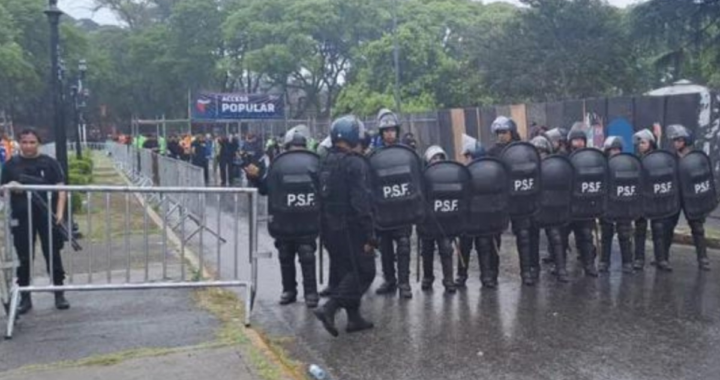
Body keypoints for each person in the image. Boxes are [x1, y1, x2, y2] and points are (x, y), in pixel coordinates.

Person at [313, 115, 376, 337]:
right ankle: (329, 308)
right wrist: (370, 235)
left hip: (330, 229)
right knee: (364, 271)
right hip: (352, 229)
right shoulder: (355, 163)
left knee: (346, 271)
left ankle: (354, 318)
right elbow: (362, 202)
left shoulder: (325, 161)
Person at [244, 126, 320, 308]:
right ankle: (306, 293)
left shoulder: (286, 162)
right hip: (303, 221)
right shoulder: (308, 162)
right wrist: (254, 177)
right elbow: (266, 188)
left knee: (289, 255)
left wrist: (255, 178)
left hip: (288, 221)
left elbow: (264, 189)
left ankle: (296, 291)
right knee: (302, 255)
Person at [1, 129, 70, 314]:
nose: (28, 146)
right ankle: (25, 297)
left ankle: (59, 293)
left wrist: (60, 214)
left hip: (47, 216)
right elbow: (2, 189)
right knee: (24, 257)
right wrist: (9, 188)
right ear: (19, 143)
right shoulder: (10, 165)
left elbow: (61, 189)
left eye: (32, 142)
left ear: (38, 143)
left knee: (53, 254)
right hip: (21, 217)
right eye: (24, 142)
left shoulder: (50, 163)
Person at [373, 108, 415, 298]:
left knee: (404, 245)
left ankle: (404, 283)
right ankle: (389, 280)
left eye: (392, 130)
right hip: (383, 210)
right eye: (386, 131)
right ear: (381, 133)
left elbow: (417, 178)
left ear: (397, 131)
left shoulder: (408, 153)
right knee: (386, 248)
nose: (389, 133)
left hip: (403, 208)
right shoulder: (374, 155)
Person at [664, 124, 711, 271]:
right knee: (668, 226)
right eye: (674, 140)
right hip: (676, 196)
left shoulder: (695, 158)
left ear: (686, 141)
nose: (675, 143)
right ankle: (663, 257)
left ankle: (703, 259)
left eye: (678, 140)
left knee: (697, 227)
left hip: (691, 197)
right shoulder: (672, 158)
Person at [456, 140, 501, 289]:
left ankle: (486, 275)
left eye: (468, 156)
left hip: (482, 216)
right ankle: (461, 275)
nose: (466, 159)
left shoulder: (487, 174)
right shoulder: (462, 172)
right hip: (467, 216)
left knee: (484, 245)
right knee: (464, 246)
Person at [528, 135, 571, 283]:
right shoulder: (528, 166)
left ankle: (560, 268)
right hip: (534, 206)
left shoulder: (554, 165)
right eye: (538, 150)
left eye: (543, 150)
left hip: (550, 205)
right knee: (532, 237)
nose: (541, 153)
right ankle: (534, 268)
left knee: (555, 236)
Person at [418, 145, 456, 293]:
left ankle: (448, 280)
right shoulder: (423, 176)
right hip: (427, 220)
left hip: (444, 218)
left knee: (446, 249)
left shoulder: (450, 176)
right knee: (427, 250)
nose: (437, 161)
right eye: (434, 158)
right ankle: (428, 278)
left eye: (440, 158)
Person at [633, 129, 671, 271]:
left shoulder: (657, 158)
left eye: (643, 142)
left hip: (656, 198)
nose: (640, 145)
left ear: (651, 143)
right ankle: (639, 259)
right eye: (639, 143)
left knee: (658, 229)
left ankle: (661, 259)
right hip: (641, 198)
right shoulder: (637, 159)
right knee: (640, 229)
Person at [563, 127, 599, 277]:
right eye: (575, 139)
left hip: (585, 203)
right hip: (567, 204)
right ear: (570, 141)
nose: (578, 143)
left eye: (581, 140)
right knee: (561, 235)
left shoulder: (590, 158)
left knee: (585, 235)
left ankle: (589, 265)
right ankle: (559, 266)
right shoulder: (564, 157)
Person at [599, 136, 634, 274]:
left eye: (618, 149)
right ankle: (604, 261)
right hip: (608, 202)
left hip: (623, 203)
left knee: (624, 233)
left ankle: (627, 262)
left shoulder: (627, 163)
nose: (616, 152)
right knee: (606, 233)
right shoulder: (603, 164)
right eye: (613, 149)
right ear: (607, 151)